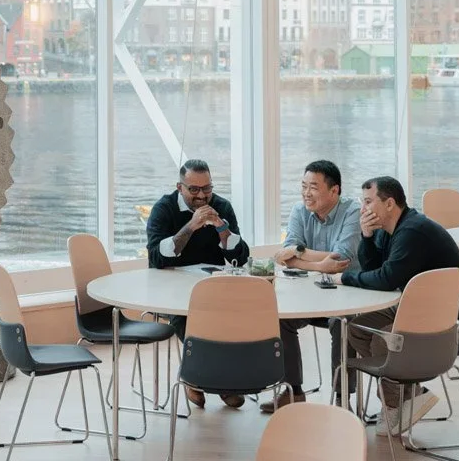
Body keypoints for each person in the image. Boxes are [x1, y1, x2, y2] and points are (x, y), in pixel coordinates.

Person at [338, 176, 459, 435]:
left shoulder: (412, 231)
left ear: (389, 203)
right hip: (418, 307)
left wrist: (345, 277)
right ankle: (413, 394)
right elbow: (374, 271)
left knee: (386, 340)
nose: (363, 208)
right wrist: (367, 237)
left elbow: (386, 278)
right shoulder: (388, 230)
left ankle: (394, 406)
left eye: (368, 202)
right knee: (357, 328)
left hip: (452, 321)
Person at [145, 159, 250, 410]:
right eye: (194, 190)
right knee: (189, 319)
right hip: (172, 290)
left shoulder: (222, 206)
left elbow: (240, 257)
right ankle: (221, 383)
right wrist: (191, 226)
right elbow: (156, 258)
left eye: (207, 189)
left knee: (236, 315)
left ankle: (196, 375)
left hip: (214, 287)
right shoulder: (164, 209)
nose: (202, 196)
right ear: (179, 187)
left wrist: (221, 227)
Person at [261, 159, 360, 413]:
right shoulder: (299, 210)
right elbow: (286, 256)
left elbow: (341, 258)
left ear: (334, 190)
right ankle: (293, 391)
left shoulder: (352, 211)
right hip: (310, 296)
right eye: (303, 186)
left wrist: (301, 254)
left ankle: (342, 398)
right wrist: (319, 265)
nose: (306, 193)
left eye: (313, 187)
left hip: (347, 294)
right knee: (281, 318)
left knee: (342, 322)